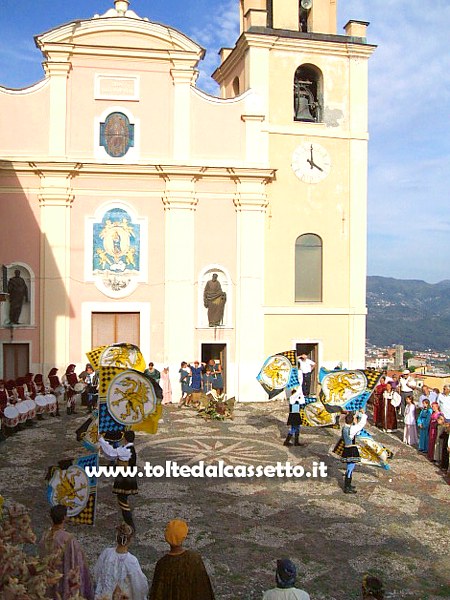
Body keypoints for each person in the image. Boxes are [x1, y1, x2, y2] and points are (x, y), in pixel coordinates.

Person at [149, 519, 215, 600]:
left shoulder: (162, 564)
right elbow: (203, 589)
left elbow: (157, 593)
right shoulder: (195, 559)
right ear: (184, 536)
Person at [39, 504, 94, 600]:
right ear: (64, 518)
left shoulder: (45, 536)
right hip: (62, 578)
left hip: (47, 577)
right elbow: (77, 561)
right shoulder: (68, 538)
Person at [94, 523, 148, 599]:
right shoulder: (131, 561)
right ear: (130, 540)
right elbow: (138, 585)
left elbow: (97, 572)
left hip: (104, 596)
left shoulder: (106, 553)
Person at [99, 431, 138, 530]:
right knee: (122, 500)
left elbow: (111, 452)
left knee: (122, 501)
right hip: (125, 477)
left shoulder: (126, 450)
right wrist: (103, 445)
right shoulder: (125, 449)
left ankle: (130, 525)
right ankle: (127, 523)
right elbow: (111, 454)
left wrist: (101, 440)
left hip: (125, 479)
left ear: (125, 439)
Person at [339, 410, 368, 494]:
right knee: (350, 469)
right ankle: (347, 487)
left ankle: (348, 485)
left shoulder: (345, 428)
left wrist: (354, 419)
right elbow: (361, 424)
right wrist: (363, 414)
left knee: (349, 467)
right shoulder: (352, 429)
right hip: (351, 449)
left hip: (346, 448)